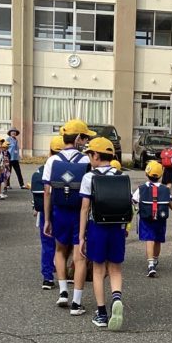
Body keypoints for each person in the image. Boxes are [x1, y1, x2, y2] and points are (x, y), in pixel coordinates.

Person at [43, 119, 96, 315]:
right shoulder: (86, 161)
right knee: (79, 256)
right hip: (79, 212)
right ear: (78, 138)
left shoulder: (52, 160)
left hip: (59, 211)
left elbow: (47, 192)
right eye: (85, 137)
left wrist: (47, 219)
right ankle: (76, 302)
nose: (86, 141)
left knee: (59, 250)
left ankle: (63, 291)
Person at [78, 137, 126, 330]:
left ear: (96, 155)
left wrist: (81, 236)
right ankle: (117, 298)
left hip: (97, 226)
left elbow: (84, 208)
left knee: (98, 270)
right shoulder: (121, 175)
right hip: (117, 226)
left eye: (90, 154)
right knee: (115, 268)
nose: (89, 158)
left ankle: (102, 313)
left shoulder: (89, 177)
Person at [31, 135, 65, 290]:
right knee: (65, 244)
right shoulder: (70, 168)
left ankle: (47, 277)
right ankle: (65, 275)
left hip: (46, 209)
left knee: (47, 244)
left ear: (50, 151)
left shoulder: (42, 169)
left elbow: (43, 192)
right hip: (65, 209)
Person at [134, 160, 170, 278]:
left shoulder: (141, 188)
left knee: (150, 239)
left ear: (146, 173)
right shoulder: (165, 189)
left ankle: (150, 264)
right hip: (160, 218)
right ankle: (155, 259)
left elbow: (134, 200)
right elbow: (169, 202)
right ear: (161, 175)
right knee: (158, 240)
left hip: (146, 218)